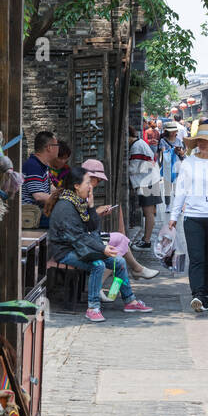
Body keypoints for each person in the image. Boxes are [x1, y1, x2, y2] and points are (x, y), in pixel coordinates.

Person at [47, 165, 152, 322]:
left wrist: (91, 207)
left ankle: (130, 300)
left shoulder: (79, 202)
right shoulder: (65, 207)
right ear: (76, 186)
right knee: (98, 265)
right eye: (87, 183)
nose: (90, 187)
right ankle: (93, 307)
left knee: (120, 262)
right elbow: (78, 237)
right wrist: (102, 248)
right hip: (65, 251)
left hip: (79, 247)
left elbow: (92, 229)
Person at [168, 118, 208, 312]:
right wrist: (173, 216)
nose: (202, 143)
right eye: (199, 140)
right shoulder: (188, 163)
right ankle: (197, 294)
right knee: (196, 257)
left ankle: (207, 294)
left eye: (206, 140)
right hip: (193, 217)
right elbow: (181, 190)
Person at [75, 157, 160, 284]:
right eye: (95, 180)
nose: (97, 183)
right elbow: (79, 221)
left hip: (89, 236)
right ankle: (134, 271)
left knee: (121, 243)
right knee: (120, 244)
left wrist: (97, 212)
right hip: (82, 239)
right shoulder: (77, 194)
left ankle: (134, 273)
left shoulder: (86, 194)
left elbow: (90, 222)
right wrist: (96, 212)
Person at [128, 126, 159, 248]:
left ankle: (146, 240)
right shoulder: (139, 143)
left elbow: (134, 168)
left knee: (148, 212)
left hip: (147, 182)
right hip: (150, 180)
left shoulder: (136, 146)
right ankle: (146, 239)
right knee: (149, 212)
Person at [22, 130, 59, 228]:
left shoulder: (43, 166)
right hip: (31, 214)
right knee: (65, 220)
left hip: (39, 212)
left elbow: (52, 188)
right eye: (57, 145)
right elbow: (38, 196)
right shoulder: (33, 166)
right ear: (49, 148)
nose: (58, 148)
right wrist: (64, 200)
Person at [156, 120, 184, 218]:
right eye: (171, 131)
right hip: (167, 166)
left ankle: (177, 207)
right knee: (167, 188)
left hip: (177, 166)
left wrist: (179, 151)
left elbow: (182, 154)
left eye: (174, 131)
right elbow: (164, 153)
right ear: (167, 131)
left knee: (177, 189)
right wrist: (172, 149)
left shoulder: (179, 140)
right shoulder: (163, 141)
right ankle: (168, 205)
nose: (173, 133)